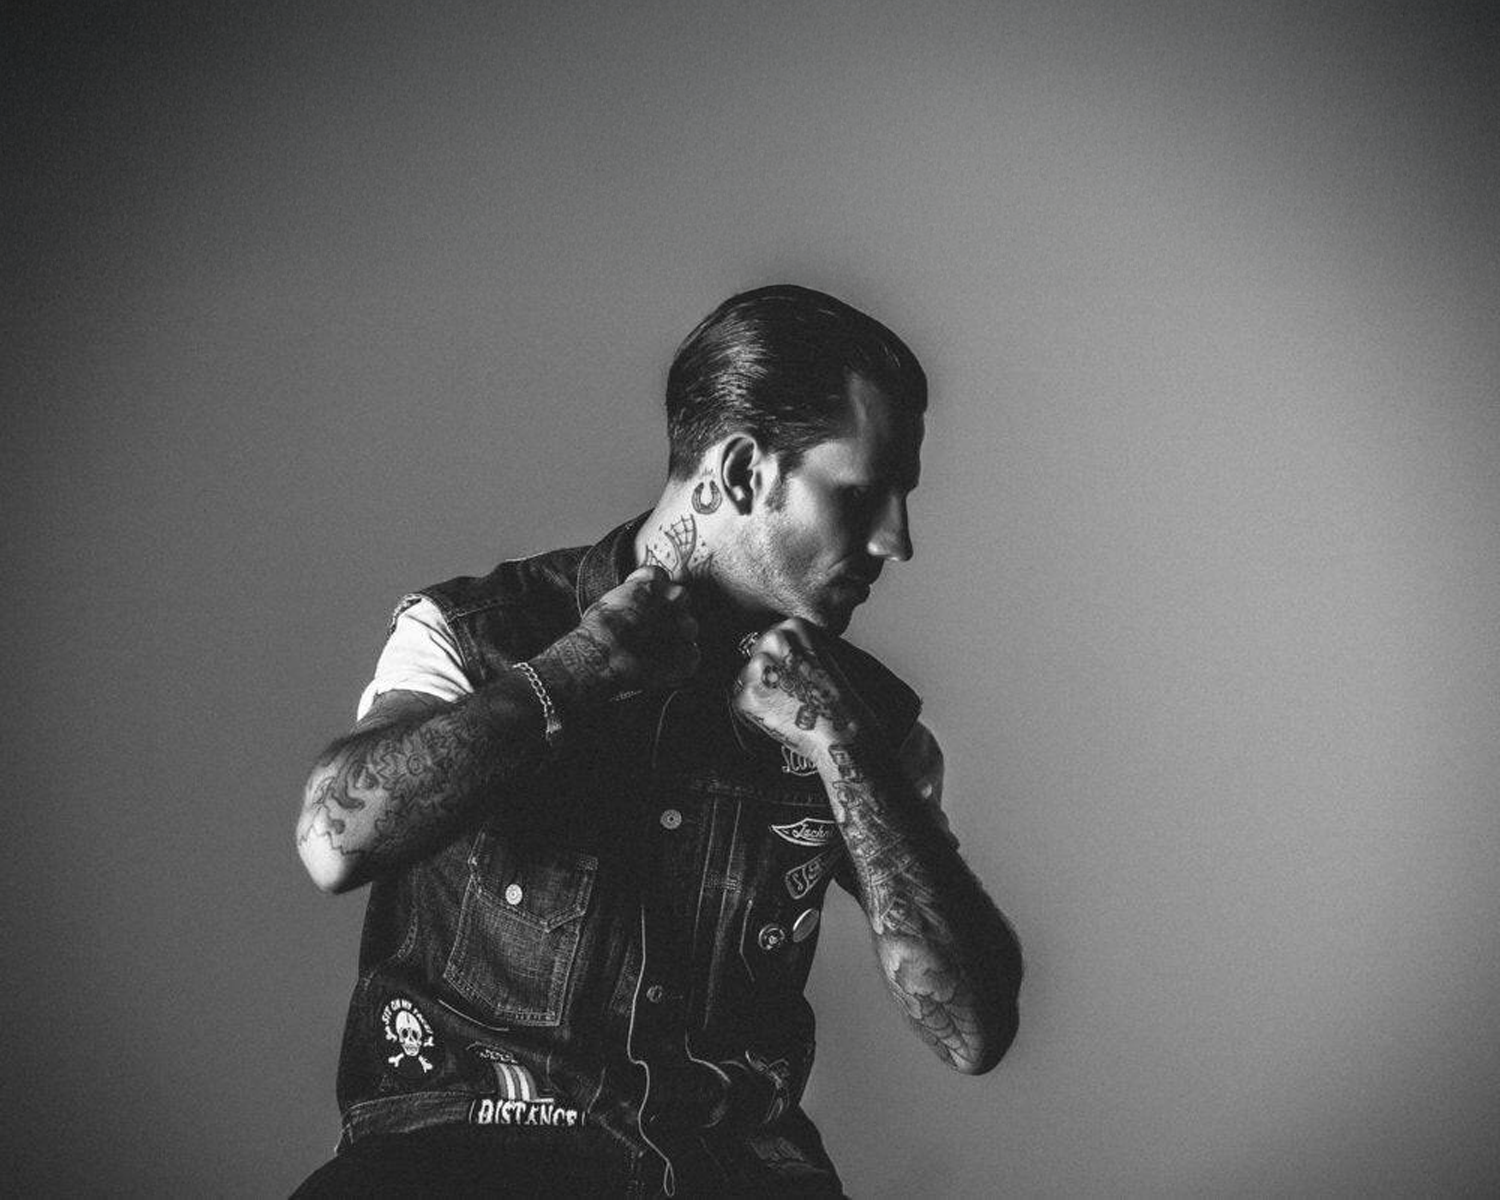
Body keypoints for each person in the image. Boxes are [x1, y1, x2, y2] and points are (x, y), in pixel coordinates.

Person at [293, 284, 1023, 1197]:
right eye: (864, 493)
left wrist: (841, 746)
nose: (896, 541)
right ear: (744, 470)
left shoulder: (866, 722)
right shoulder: (474, 635)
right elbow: (333, 843)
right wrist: (579, 670)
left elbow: (974, 1032)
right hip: (461, 1162)